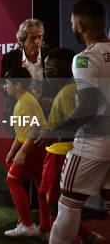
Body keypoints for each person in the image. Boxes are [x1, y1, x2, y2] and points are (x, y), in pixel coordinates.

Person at [42, 0, 110, 244]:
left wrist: (53, 129)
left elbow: (89, 107)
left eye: (71, 22)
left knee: (68, 206)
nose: (71, 25)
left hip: (92, 143)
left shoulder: (84, 59)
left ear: (80, 24)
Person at [36, 48, 102, 243]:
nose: (45, 73)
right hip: (59, 152)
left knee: (55, 200)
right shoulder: (71, 89)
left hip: (60, 153)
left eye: (47, 69)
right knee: (46, 195)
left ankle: (80, 235)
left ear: (55, 73)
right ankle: (52, 229)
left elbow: (73, 124)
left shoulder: (66, 92)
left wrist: (51, 133)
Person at [3, 67, 50, 237]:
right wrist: (14, 149)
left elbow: (34, 129)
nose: (5, 86)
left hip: (33, 148)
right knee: (41, 187)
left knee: (12, 180)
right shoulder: (24, 100)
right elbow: (22, 132)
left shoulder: (26, 102)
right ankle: (45, 226)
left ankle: (27, 224)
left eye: (7, 83)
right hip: (37, 148)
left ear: (17, 85)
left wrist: (22, 151)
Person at [0, 19, 52, 118]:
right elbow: (1, 84)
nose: (37, 41)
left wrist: (53, 100)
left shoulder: (50, 56)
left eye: (40, 37)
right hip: (18, 113)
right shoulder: (9, 58)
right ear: (23, 39)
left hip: (46, 114)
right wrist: (14, 92)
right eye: (32, 38)